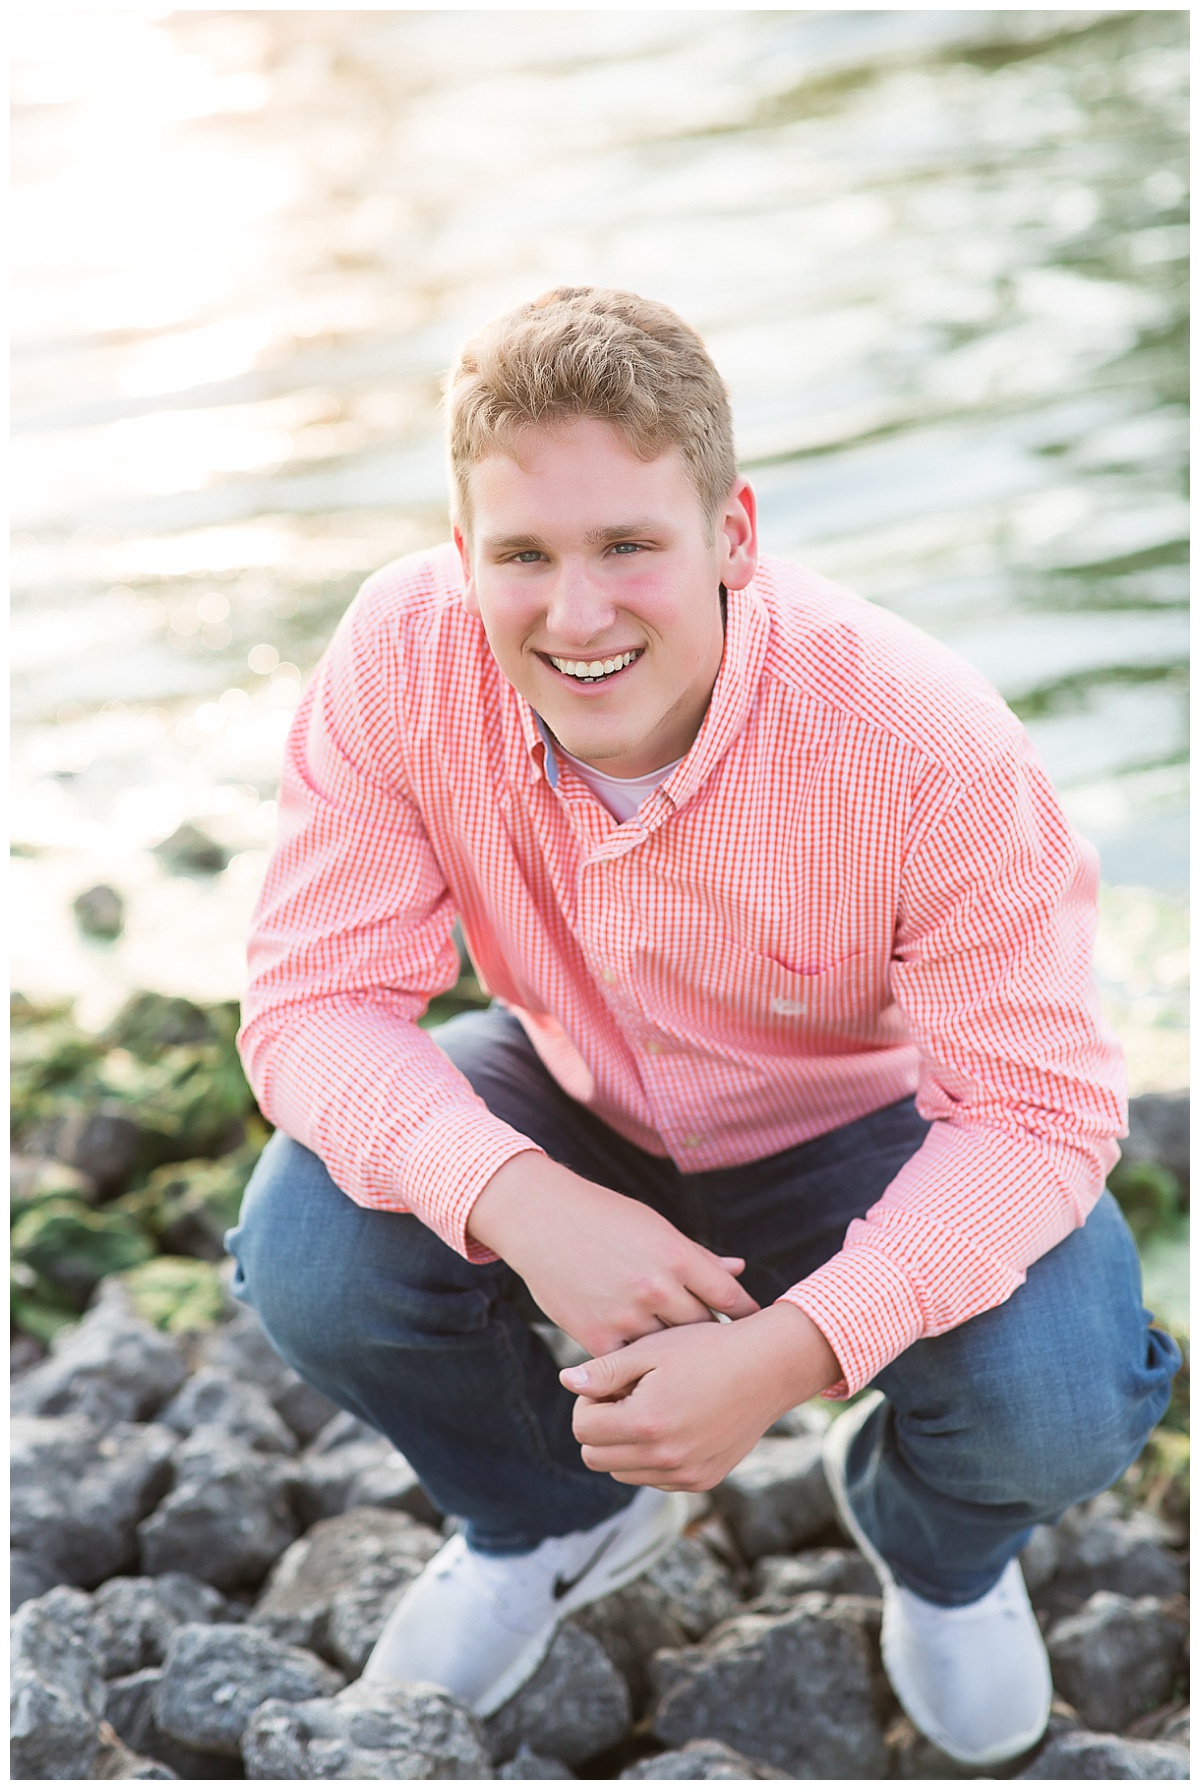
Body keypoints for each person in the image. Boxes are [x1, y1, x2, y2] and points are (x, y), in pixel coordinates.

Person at [228, 286, 1179, 1768]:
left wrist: (795, 1352)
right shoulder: (399, 657)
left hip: (863, 1129)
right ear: (463, 549)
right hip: (571, 1096)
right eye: (523, 555)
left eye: (628, 544)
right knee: (307, 1238)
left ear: (732, 533)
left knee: (1059, 1395)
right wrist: (520, 1200)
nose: (576, 614)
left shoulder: (920, 736)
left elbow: (1038, 1112)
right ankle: (552, 1513)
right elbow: (311, 1003)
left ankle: (933, 1550)